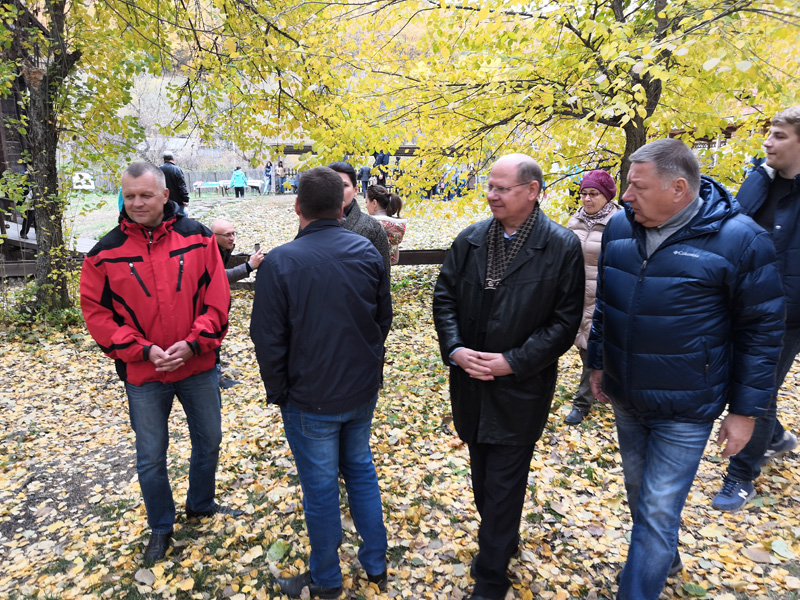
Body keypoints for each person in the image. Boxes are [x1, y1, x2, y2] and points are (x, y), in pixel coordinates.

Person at [587, 139, 784, 600]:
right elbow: (606, 304)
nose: (626, 196)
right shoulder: (621, 227)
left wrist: (745, 411)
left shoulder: (741, 240)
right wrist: (597, 362)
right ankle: (664, 556)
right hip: (626, 394)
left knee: (658, 508)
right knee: (639, 492)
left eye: (637, 187)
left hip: (687, 405)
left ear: (678, 189)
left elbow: (762, 332)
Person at [432, 154, 584, 600]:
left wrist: (513, 361)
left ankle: (492, 576)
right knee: (484, 477)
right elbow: (445, 298)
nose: (491, 195)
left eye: (502, 188)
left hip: (521, 386)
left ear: (532, 191)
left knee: (503, 482)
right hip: (470, 382)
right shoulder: (471, 240)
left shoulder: (561, 246)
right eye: (490, 186)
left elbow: (564, 322)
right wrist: (455, 349)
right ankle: (503, 538)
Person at [80, 162, 242, 566]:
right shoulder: (103, 254)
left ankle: (200, 504)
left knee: (210, 440)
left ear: (165, 195)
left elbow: (218, 298)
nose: (137, 203)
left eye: (146, 195)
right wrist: (143, 350)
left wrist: (194, 343)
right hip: (144, 373)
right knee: (151, 455)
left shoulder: (198, 237)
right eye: (130, 196)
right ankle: (160, 526)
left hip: (197, 367)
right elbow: (97, 315)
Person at [250, 166, 392, 599]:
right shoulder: (365, 251)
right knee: (360, 471)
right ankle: (375, 564)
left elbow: (266, 339)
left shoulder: (281, 262)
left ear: (298, 206)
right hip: (356, 389)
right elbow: (382, 319)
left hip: (312, 398)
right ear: (341, 206)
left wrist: (280, 391)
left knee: (322, 487)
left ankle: (327, 579)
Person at [713, 106, 800, 511]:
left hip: (787, 314)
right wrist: (758, 176)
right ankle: (776, 436)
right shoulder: (761, 180)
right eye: (768, 133)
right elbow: (730, 223)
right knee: (742, 381)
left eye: (779, 135)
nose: (768, 141)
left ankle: (741, 475)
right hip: (743, 304)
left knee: (757, 392)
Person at [564, 170, 621, 425]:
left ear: (607, 196)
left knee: (591, 348)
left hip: (604, 297)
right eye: (584, 193)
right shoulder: (574, 221)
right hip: (578, 296)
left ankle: (581, 403)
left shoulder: (620, 222)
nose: (587, 199)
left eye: (594, 194)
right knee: (583, 346)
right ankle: (603, 384)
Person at [211, 219, 265, 389]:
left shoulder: (223, 248)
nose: (232, 238)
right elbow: (220, 276)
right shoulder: (207, 252)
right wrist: (249, 266)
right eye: (227, 235)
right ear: (214, 236)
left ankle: (215, 371)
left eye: (233, 233)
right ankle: (215, 377)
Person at [328, 161, 391, 274]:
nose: (337, 190)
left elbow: (383, 275)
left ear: (355, 190)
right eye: (331, 185)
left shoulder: (373, 228)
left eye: (344, 185)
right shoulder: (311, 225)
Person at [365, 184, 407, 266]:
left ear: (374, 203)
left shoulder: (368, 224)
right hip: (385, 271)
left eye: (366, 202)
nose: (366, 206)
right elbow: (395, 259)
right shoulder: (396, 225)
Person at [160, 151, 191, 216]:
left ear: (164, 159)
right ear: (173, 159)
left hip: (164, 202)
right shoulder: (177, 170)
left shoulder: (158, 170)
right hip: (177, 203)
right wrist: (186, 199)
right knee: (181, 219)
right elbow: (182, 186)